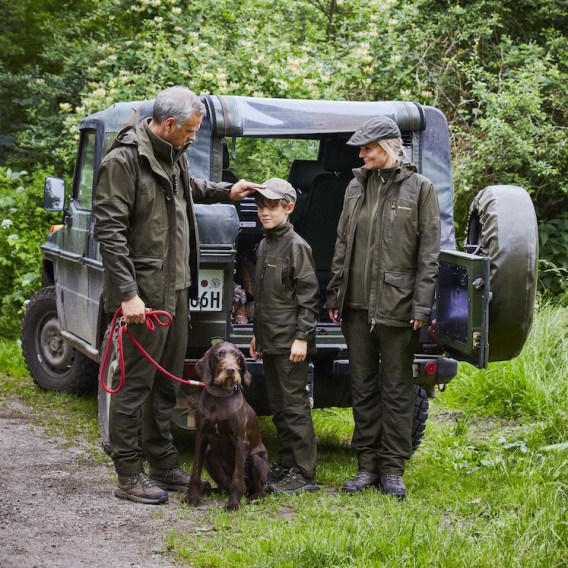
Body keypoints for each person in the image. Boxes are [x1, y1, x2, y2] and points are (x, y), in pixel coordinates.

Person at [93, 86, 263, 505]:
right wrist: (129, 295)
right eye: (189, 131)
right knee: (134, 388)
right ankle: (129, 474)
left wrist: (228, 191)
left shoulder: (173, 154)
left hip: (176, 293)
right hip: (144, 300)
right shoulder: (124, 162)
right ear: (168, 125)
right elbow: (109, 232)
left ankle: (163, 461)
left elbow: (189, 187)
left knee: (166, 387)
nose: (192, 137)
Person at [326, 116, 440, 499]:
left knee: (396, 388)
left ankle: (393, 468)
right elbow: (342, 244)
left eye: (368, 148)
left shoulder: (420, 189)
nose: (361, 154)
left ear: (390, 147)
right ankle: (366, 466)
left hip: (399, 304)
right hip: (355, 306)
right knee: (363, 386)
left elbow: (429, 255)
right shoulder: (354, 188)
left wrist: (422, 306)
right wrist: (335, 294)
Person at [249, 178, 320, 495]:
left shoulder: (297, 246)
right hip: (271, 341)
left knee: (295, 407)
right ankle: (287, 465)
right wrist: (256, 336)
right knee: (278, 406)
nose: (264, 212)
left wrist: (302, 337)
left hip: (292, 342)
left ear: (288, 208)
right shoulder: (265, 244)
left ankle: (304, 474)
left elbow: (308, 296)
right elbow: (264, 299)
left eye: (272, 206)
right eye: (261, 205)